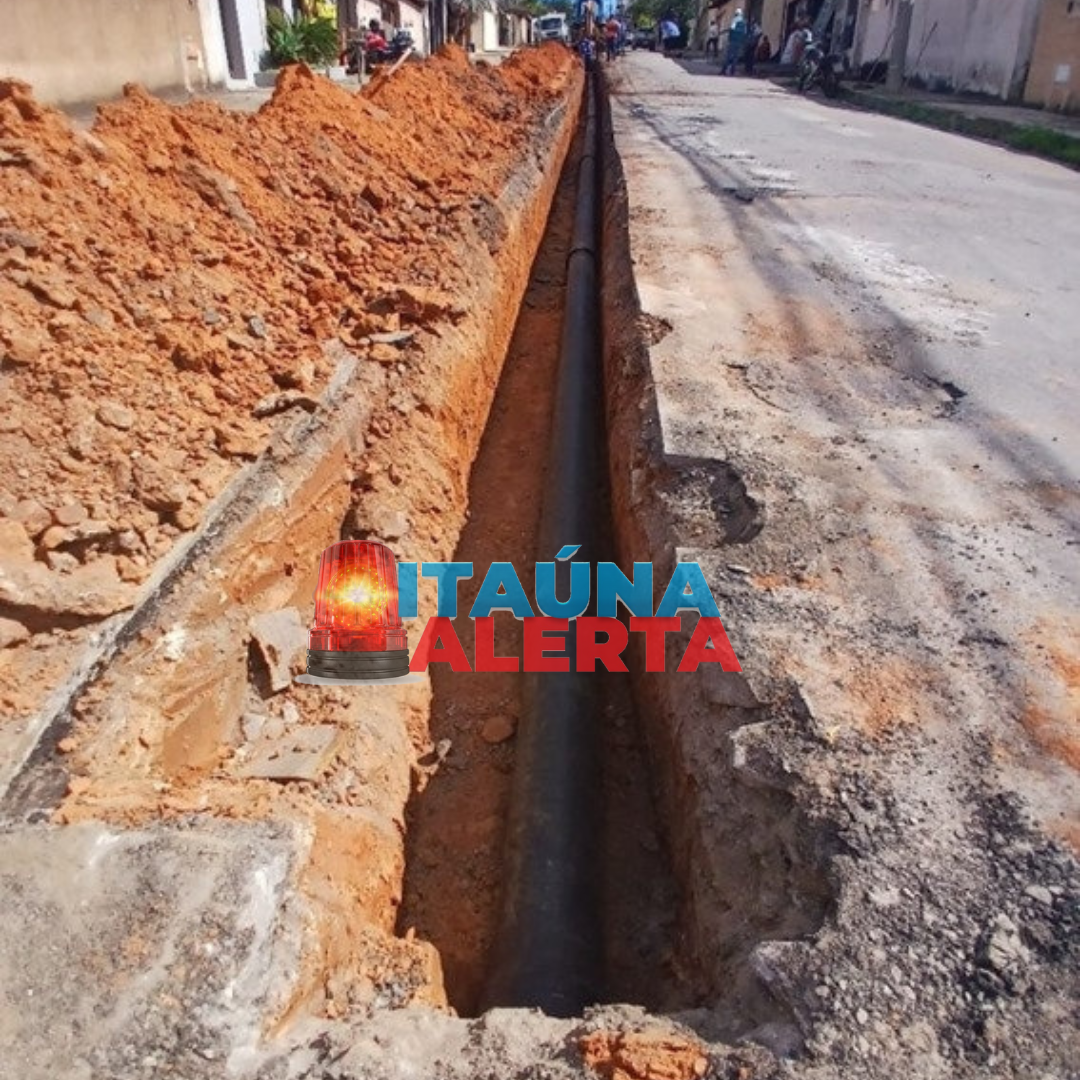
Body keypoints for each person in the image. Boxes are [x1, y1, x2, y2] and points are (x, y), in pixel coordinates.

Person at [722, 8, 746, 75]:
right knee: (735, 57)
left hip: (733, 40)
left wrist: (729, 37)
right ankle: (732, 71)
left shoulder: (735, 20)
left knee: (728, 56)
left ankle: (724, 70)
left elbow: (732, 29)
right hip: (739, 42)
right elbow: (744, 32)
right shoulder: (744, 22)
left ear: (736, 14)